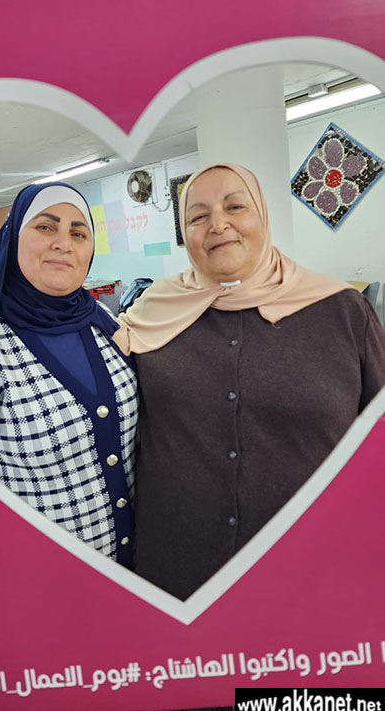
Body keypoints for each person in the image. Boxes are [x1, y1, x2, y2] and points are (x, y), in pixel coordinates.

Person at [114, 162, 385, 600]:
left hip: (315, 571)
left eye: (235, 207)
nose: (218, 224)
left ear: (262, 214)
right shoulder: (150, 316)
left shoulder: (342, 312)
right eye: (198, 216)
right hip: (180, 576)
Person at [0, 183, 138, 567]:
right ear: (13, 237)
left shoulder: (103, 322)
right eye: (45, 227)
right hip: (43, 576)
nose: (63, 243)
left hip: (139, 567)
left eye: (78, 233)